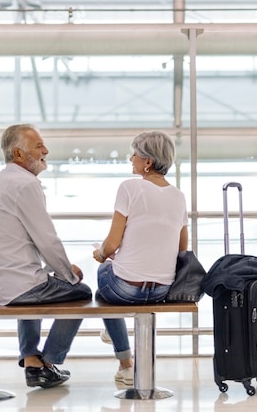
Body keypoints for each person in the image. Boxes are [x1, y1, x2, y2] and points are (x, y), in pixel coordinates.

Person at [0, 123, 92, 389]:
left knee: (38, 282)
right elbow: (47, 239)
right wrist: (69, 275)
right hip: (16, 284)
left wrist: (58, 273)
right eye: (39, 146)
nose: (46, 151)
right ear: (18, 154)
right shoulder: (25, 184)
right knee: (82, 293)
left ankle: (30, 358)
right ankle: (47, 362)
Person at [92, 130, 188, 386]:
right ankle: (115, 335)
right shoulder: (179, 197)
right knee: (108, 288)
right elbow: (182, 248)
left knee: (102, 281)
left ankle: (124, 361)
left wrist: (100, 254)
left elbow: (112, 244)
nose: (130, 158)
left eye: (135, 153)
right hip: (162, 290)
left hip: (125, 289)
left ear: (148, 162)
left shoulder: (129, 187)